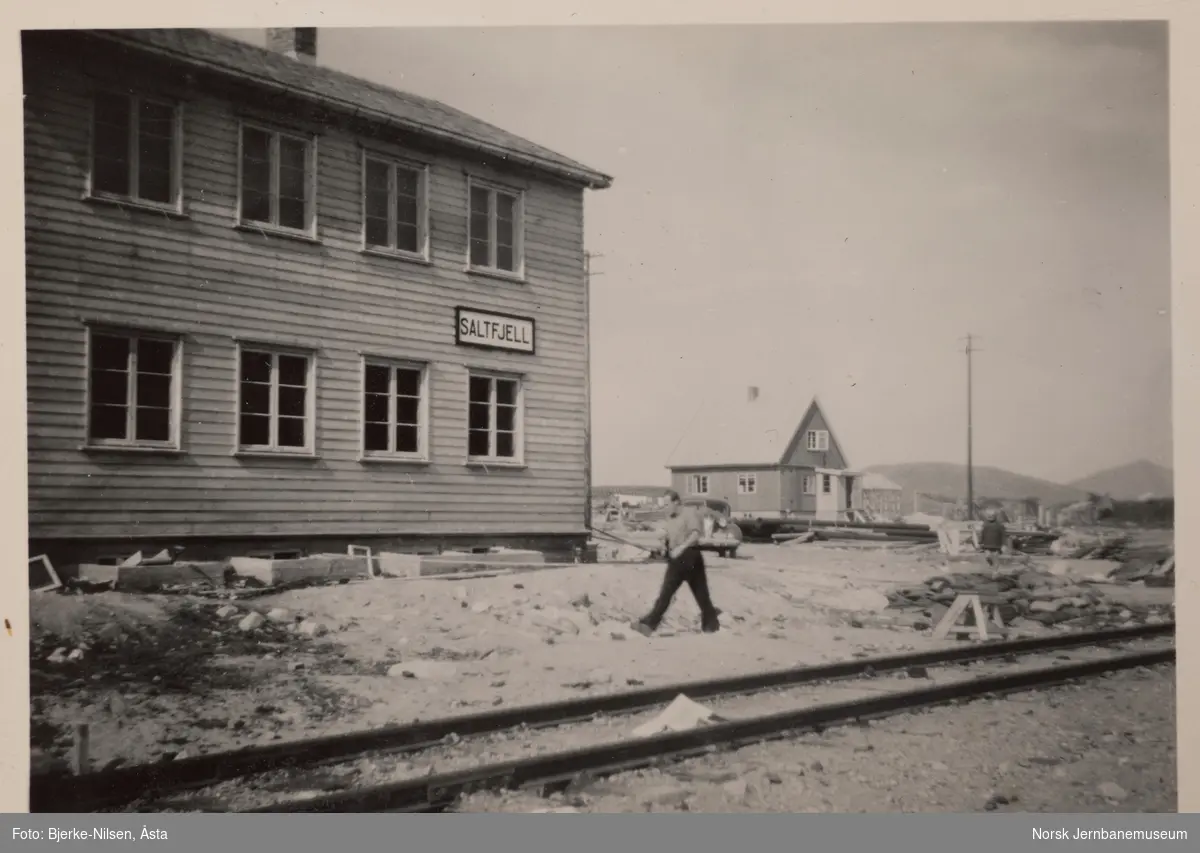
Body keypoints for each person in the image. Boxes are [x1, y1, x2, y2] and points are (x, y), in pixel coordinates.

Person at [632, 491, 721, 635]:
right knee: (700, 593)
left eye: (667, 504)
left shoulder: (689, 513)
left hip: (689, 555)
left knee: (667, 592)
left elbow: (695, 534)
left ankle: (649, 624)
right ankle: (711, 624)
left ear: (677, 502)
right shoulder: (671, 518)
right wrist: (663, 543)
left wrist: (680, 548)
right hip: (679, 556)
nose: (666, 508)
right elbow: (668, 535)